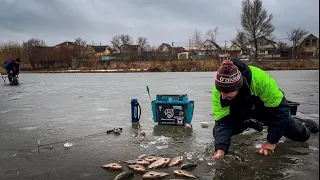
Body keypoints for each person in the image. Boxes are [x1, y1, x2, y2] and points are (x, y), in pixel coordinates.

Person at [211, 59, 318, 159]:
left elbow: (280, 110)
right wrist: (220, 151)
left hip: (265, 108)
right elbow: (223, 123)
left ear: (238, 86)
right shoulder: (219, 92)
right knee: (218, 133)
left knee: (301, 136)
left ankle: (300, 123)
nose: (223, 96)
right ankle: (250, 123)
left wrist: (271, 142)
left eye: (227, 93)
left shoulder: (259, 80)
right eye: (220, 91)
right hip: (241, 111)